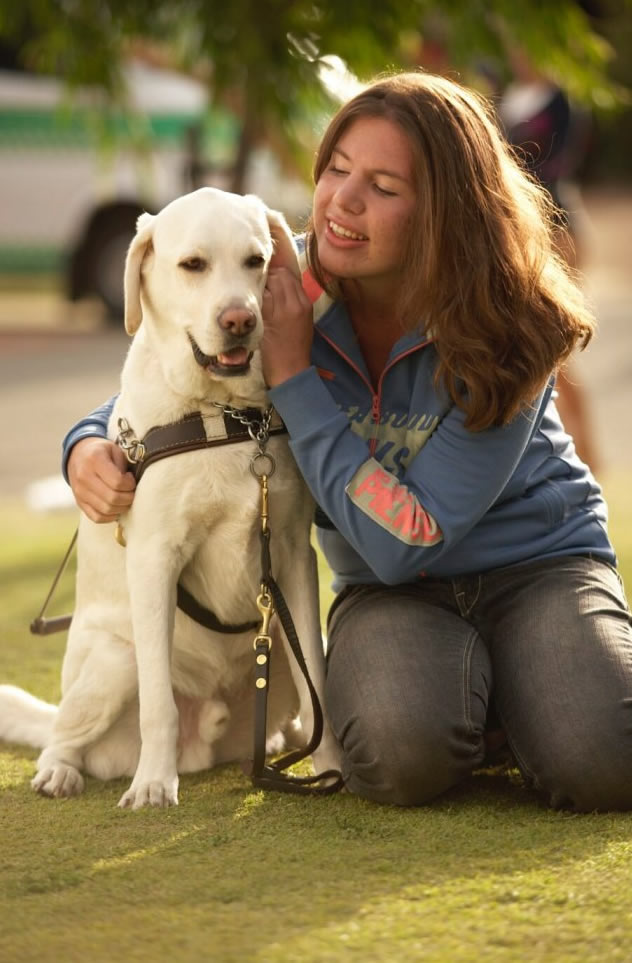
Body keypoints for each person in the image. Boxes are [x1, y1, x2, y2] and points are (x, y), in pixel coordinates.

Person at [63, 71, 632, 813]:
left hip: (537, 567)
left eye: (384, 186)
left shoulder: (513, 320)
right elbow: (166, 384)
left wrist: (296, 374)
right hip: (394, 600)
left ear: (443, 212)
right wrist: (83, 445)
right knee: (396, 756)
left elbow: (407, 536)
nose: (342, 201)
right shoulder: (279, 277)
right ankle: (499, 704)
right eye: (336, 170)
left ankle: (528, 691)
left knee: (603, 761)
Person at [498, 50, 601, 473]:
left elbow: (556, 166)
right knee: (531, 346)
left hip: (555, 228)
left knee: (555, 344)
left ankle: (588, 459)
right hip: (515, 231)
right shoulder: (503, 96)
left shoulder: (563, 103)